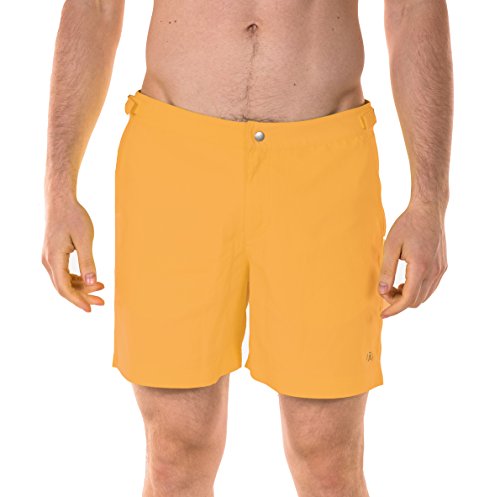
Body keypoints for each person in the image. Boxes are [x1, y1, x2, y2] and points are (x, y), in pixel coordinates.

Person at [42, 1, 453, 496]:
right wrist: (59, 189)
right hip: (175, 158)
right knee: (175, 452)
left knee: (327, 457)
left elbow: (413, 8)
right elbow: (96, 7)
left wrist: (429, 202)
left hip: (325, 164)